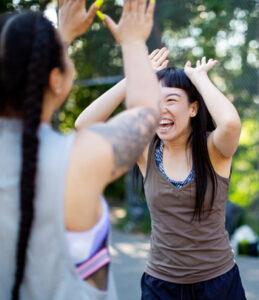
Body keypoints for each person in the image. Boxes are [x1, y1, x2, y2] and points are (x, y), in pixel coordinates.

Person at [0, 0, 161, 299]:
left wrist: (60, 35)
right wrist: (133, 41)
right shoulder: (79, 159)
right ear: (56, 79)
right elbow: (148, 110)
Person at [75, 49, 247, 299]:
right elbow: (84, 126)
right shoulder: (144, 150)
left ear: (193, 108)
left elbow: (231, 123)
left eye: (171, 100)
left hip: (217, 284)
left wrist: (198, 78)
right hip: (161, 286)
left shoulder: (214, 150)